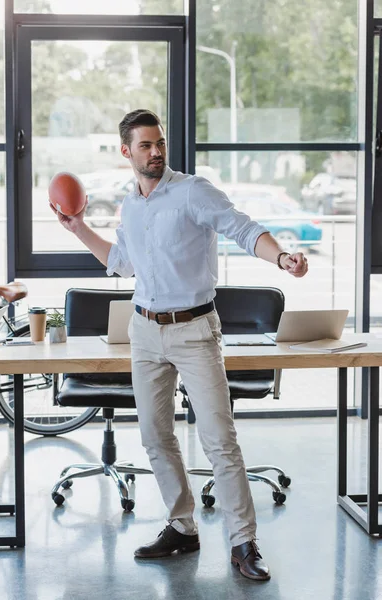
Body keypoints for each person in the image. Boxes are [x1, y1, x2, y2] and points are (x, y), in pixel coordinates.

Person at [51, 109, 308, 582]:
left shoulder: (192, 192)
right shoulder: (131, 205)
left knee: (219, 441)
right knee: (155, 436)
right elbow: (124, 264)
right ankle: (181, 526)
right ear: (126, 152)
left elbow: (243, 228)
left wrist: (282, 257)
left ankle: (243, 542)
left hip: (194, 330)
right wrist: (79, 229)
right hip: (145, 330)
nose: (156, 152)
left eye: (160, 143)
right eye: (145, 145)